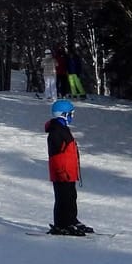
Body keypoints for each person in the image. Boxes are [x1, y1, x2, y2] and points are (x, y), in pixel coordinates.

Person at [45, 99, 93, 236]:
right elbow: (56, 155)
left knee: (71, 196)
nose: (72, 117)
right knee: (63, 198)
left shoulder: (62, 129)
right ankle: (61, 224)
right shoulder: (56, 131)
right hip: (62, 173)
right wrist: (61, 171)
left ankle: (71, 220)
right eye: (71, 114)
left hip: (68, 172)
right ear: (63, 114)